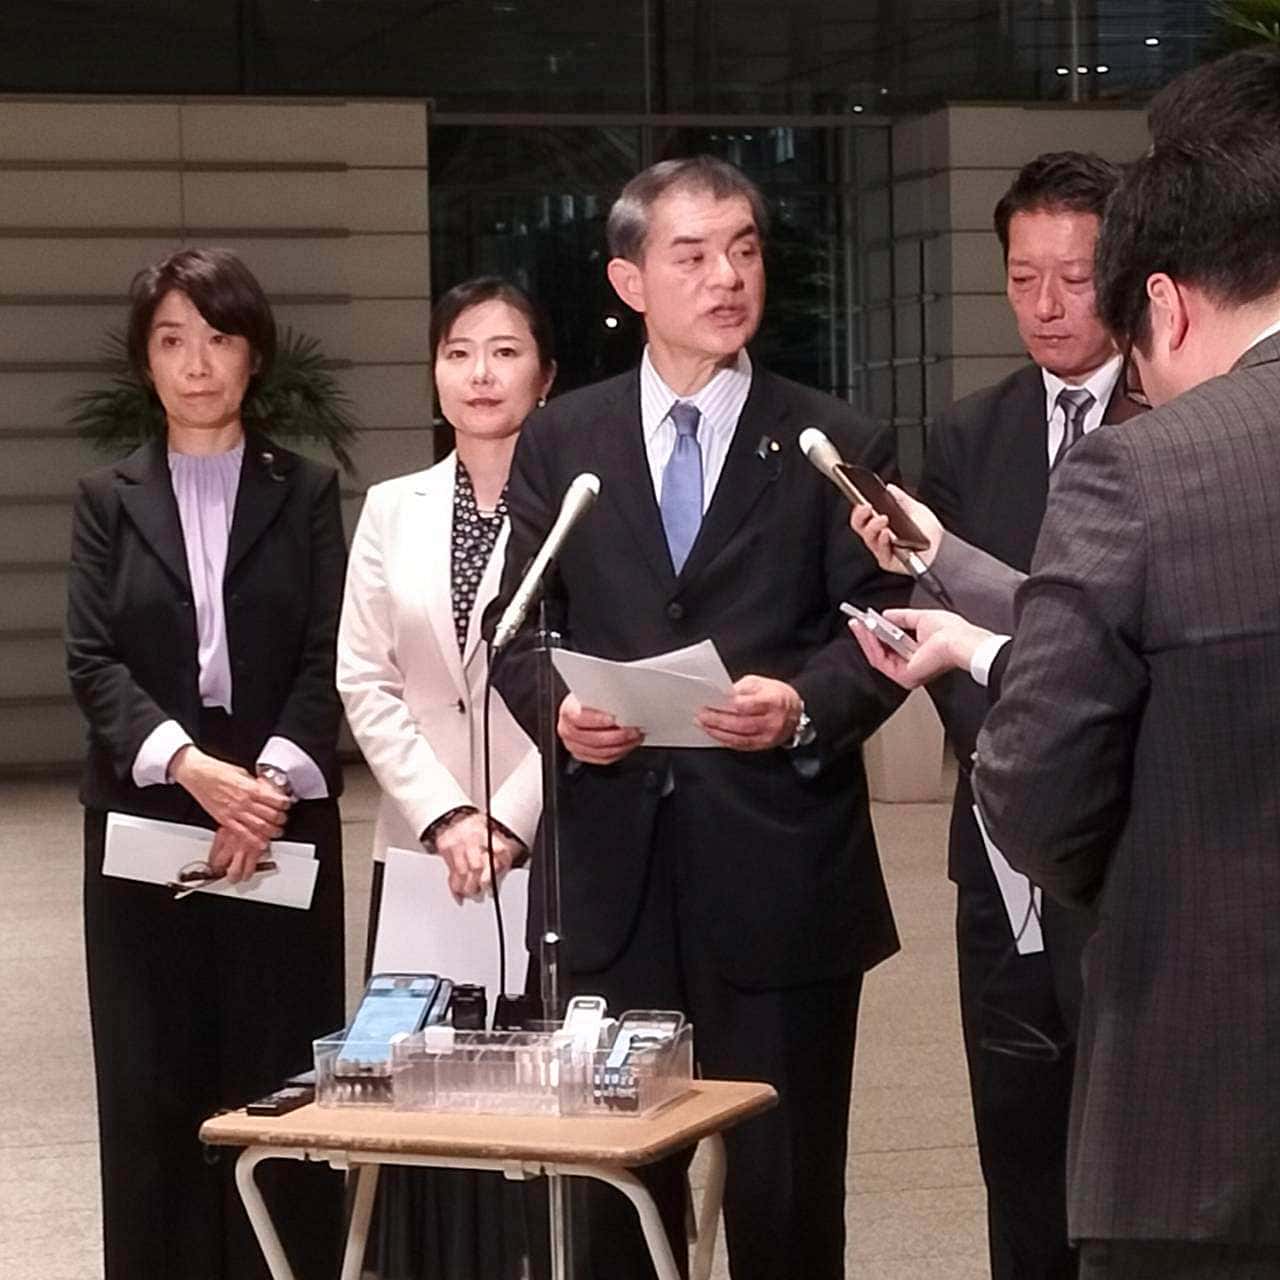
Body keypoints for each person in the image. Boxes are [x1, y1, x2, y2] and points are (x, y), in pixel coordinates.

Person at [849, 47, 1280, 1280]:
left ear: (1163, 304)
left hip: (1198, 1106)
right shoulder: (987, 433)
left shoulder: (1143, 468)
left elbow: (1037, 794)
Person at [487, 155, 906, 1280]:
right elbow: (516, 630)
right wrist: (561, 712)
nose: (727, 277)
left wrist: (805, 704)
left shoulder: (830, 438)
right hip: (611, 886)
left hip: (779, 872)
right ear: (628, 281)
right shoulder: (563, 439)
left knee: (785, 1199)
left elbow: (884, 625)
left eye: (745, 250)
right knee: (616, 1203)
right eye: (693, 255)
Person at [65, 246, 346, 1280]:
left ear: (253, 354)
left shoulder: (307, 492)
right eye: (172, 340)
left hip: (281, 815)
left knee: (279, 1073)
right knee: (151, 1079)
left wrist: (259, 789)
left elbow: (328, 651)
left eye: (219, 338)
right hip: (147, 815)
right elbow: (91, 658)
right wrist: (193, 768)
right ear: (145, 360)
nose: (197, 363)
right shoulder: (106, 497)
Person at [914, 149, 1138, 1280]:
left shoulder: (1172, 419)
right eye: (1021, 278)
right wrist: (1010, 743)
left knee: (1133, 1162)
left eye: (1075, 278)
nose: (1046, 305)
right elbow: (937, 631)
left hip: (1133, 850)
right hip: (997, 850)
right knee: (1016, 1153)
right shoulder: (969, 433)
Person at [337, 276, 552, 1278]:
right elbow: (364, 676)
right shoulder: (393, 508)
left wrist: (507, 816)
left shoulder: (584, 503)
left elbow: (595, 676)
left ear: (545, 375)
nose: (480, 373)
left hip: (541, 842)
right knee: (421, 1091)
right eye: (459, 351)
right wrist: (446, 814)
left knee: (539, 1090)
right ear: (434, 373)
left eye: (505, 351)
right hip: (424, 852)